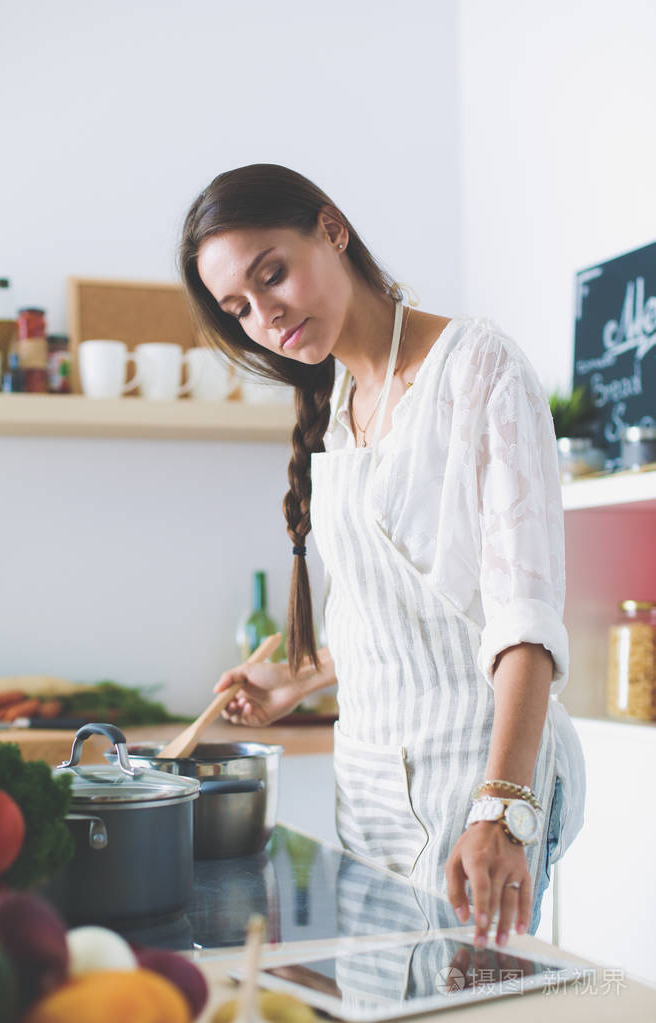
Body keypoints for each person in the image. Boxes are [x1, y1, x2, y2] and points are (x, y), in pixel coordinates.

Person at [179, 163, 585, 949]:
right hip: (365, 790)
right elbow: (417, 613)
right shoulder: (335, 405)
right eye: (240, 308)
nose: (265, 316)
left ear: (332, 228)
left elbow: (522, 621)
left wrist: (498, 809)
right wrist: (301, 675)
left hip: (480, 777)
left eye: (273, 274)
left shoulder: (477, 368)